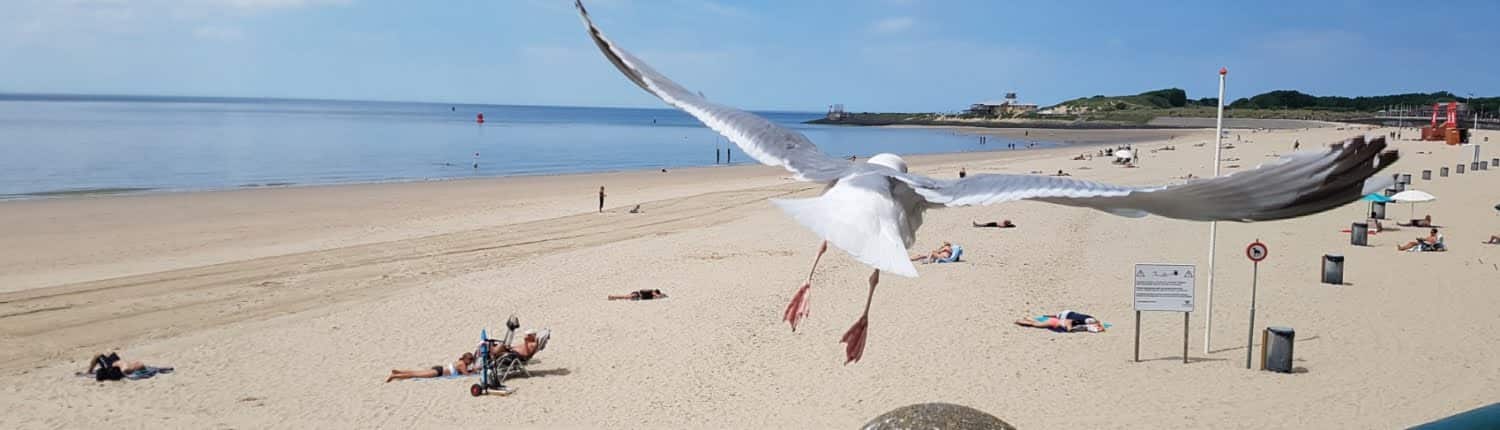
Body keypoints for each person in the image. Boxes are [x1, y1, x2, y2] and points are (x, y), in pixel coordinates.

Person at [386, 352, 476, 382]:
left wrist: (471, 370)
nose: (471, 362)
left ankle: (398, 372)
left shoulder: (460, 362)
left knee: (416, 372)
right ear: (466, 359)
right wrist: (474, 371)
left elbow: (462, 372)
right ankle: (394, 376)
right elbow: (466, 375)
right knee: (415, 375)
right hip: (438, 372)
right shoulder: (462, 364)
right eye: (470, 361)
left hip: (439, 369)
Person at [1015, 310, 1104, 333]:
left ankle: (1028, 318)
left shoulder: (1076, 320)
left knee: (1037, 323)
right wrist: (1071, 329)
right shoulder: (1070, 322)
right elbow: (1069, 327)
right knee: (1035, 324)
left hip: (1059, 319)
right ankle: (1019, 321)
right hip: (1054, 323)